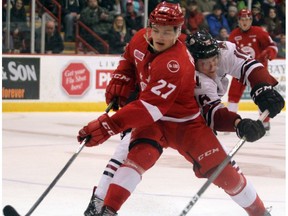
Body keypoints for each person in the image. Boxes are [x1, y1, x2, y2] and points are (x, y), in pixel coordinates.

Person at [78, 2, 284, 216]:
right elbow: (142, 80)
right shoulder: (186, 69)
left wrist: (262, 88)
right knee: (132, 155)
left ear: (178, 32)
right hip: (154, 116)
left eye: (214, 59)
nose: (211, 67)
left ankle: (259, 212)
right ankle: (103, 206)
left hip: (185, 122)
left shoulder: (217, 53)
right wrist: (123, 77)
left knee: (225, 172)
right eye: (203, 63)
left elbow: (245, 68)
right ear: (192, 59)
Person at [226, 9, 278, 132]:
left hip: (258, 71)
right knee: (233, 94)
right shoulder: (233, 35)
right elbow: (227, 53)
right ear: (238, 21)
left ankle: (265, 122)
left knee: (263, 95)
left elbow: (272, 46)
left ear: (251, 20)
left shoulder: (259, 32)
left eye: (247, 19)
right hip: (240, 70)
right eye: (242, 20)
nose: (245, 22)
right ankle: (229, 122)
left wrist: (268, 53)